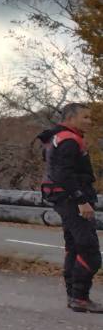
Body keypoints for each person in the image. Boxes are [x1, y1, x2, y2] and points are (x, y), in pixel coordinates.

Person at [37, 103, 101, 313]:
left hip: (62, 198)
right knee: (89, 250)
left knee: (74, 247)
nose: (89, 121)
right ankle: (79, 297)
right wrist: (81, 200)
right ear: (70, 118)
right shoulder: (69, 140)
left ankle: (74, 297)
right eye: (85, 117)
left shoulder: (57, 137)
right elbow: (63, 174)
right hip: (71, 199)